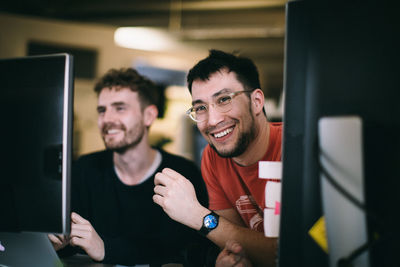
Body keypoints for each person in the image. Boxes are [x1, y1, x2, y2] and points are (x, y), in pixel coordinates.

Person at [49, 68, 212, 266]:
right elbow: (73, 244)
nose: (107, 119)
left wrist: (106, 249)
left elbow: (182, 250)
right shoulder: (85, 168)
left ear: (149, 116)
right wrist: (56, 243)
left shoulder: (181, 173)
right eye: (102, 110)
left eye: (120, 108)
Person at [153, 50, 282, 267]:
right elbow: (234, 242)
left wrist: (198, 216)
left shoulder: (296, 151)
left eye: (224, 99)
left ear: (257, 101)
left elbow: (291, 253)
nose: (212, 120)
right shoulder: (213, 158)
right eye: (201, 108)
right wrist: (231, 260)